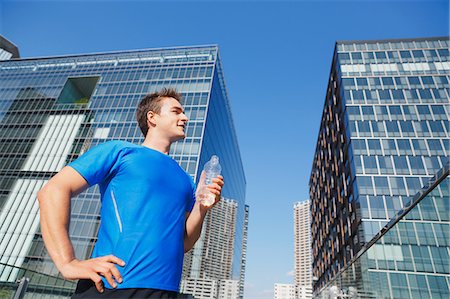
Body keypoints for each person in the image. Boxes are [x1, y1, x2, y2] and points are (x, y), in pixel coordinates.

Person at [37, 88, 224, 299]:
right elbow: (52, 190)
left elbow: (185, 243)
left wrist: (201, 207)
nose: (185, 117)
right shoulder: (119, 151)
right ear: (152, 118)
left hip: (166, 290)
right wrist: (67, 262)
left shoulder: (186, 180)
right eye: (176, 111)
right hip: (114, 284)